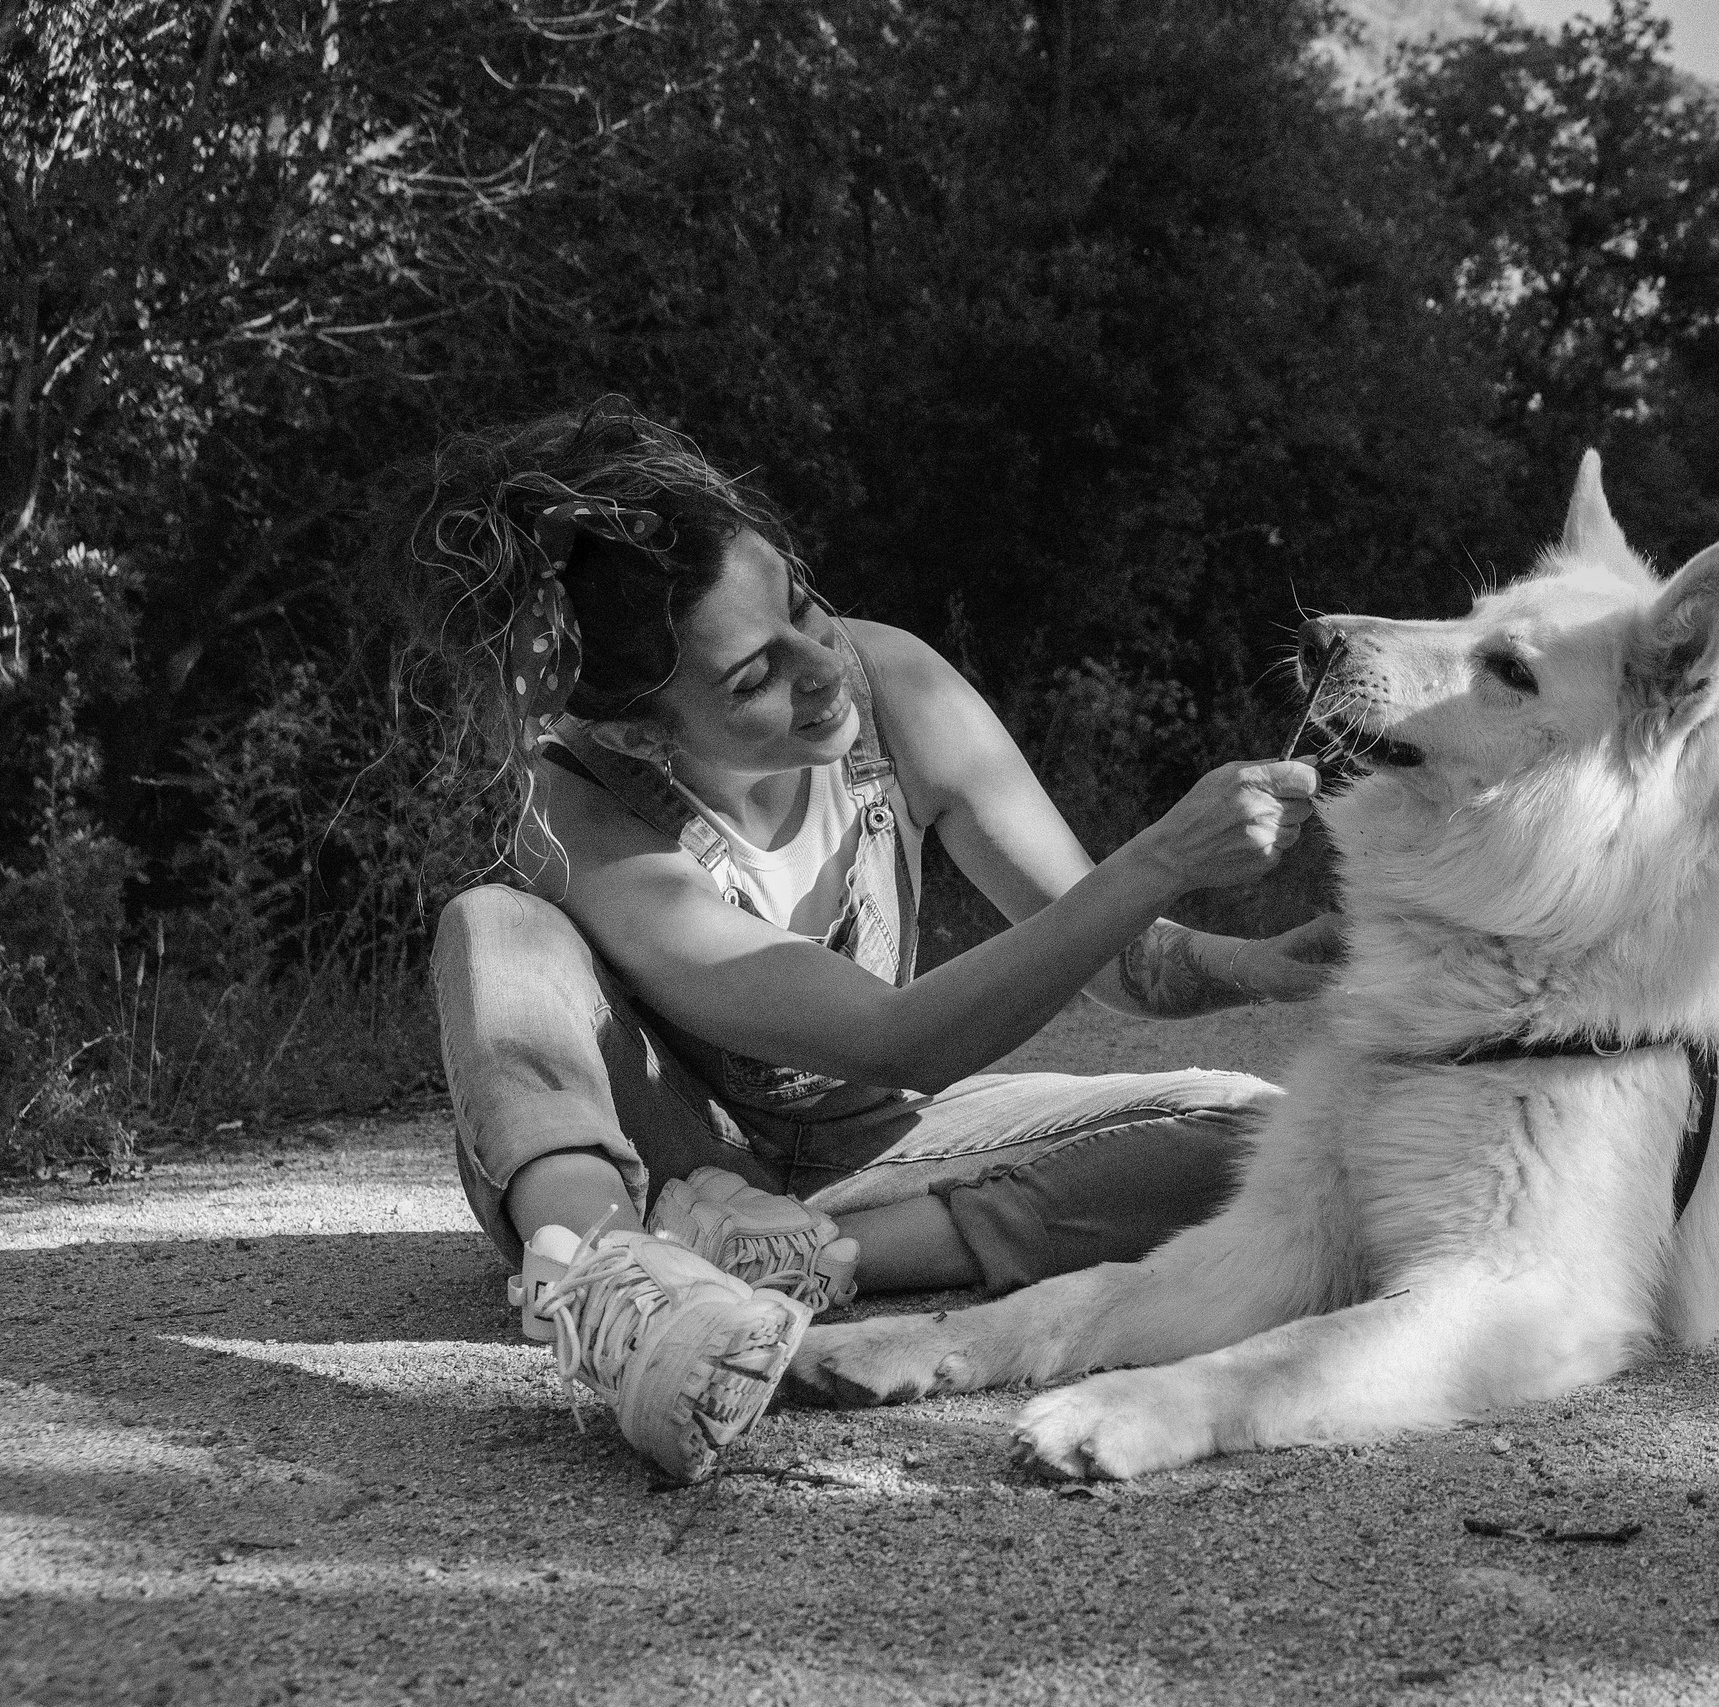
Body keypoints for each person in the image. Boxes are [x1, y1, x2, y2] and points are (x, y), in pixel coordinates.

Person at [404, 400, 1333, 1483]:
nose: (822, 669)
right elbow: (902, 1041)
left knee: (1259, 1136)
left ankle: (785, 1263)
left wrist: (1268, 966)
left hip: (861, 1155)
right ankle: (622, 1288)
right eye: (754, 677)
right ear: (633, 731)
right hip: (653, 1152)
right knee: (492, 924)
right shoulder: (583, 807)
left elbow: (1121, 955)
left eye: (805, 607)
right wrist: (1161, 856)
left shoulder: (897, 683)